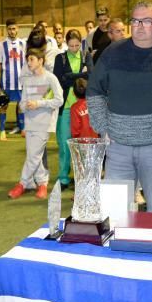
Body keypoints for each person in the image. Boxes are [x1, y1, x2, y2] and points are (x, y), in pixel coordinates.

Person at [87, 1, 152, 212]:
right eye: (135, 21)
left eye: (147, 21)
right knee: (115, 212)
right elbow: (94, 90)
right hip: (118, 147)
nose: (139, 26)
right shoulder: (113, 52)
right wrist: (102, 127)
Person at [8, 47, 64, 199]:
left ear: (41, 61)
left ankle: (22, 184)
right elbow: (22, 102)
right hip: (30, 123)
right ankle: (41, 184)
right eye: (28, 60)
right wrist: (23, 105)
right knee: (35, 156)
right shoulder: (28, 80)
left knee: (33, 156)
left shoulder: (50, 78)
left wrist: (39, 103)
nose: (29, 62)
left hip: (44, 124)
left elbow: (59, 100)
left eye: (32, 59)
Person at [52, 29, 88, 187]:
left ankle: (83, 177)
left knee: (85, 145)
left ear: (81, 43)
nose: (74, 48)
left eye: (77, 45)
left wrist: (70, 76)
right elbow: (59, 81)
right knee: (65, 145)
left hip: (84, 108)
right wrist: (80, 75)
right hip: (66, 108)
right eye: (71, 45)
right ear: (66, 44)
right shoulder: (60, 58)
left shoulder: (87, 56)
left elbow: (90, 78)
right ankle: (63, 177)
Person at [0, 18, 26, 140]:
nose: (12, 31)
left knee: (21, 105)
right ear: (6, 30)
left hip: (20, 81)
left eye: (14, 29)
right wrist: (5, 73)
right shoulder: (1, 45)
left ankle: (23, 128)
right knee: (4, 105)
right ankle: (2, 130)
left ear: (17, 29)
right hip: (7, 82)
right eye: (9, 29)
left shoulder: (23, 44)